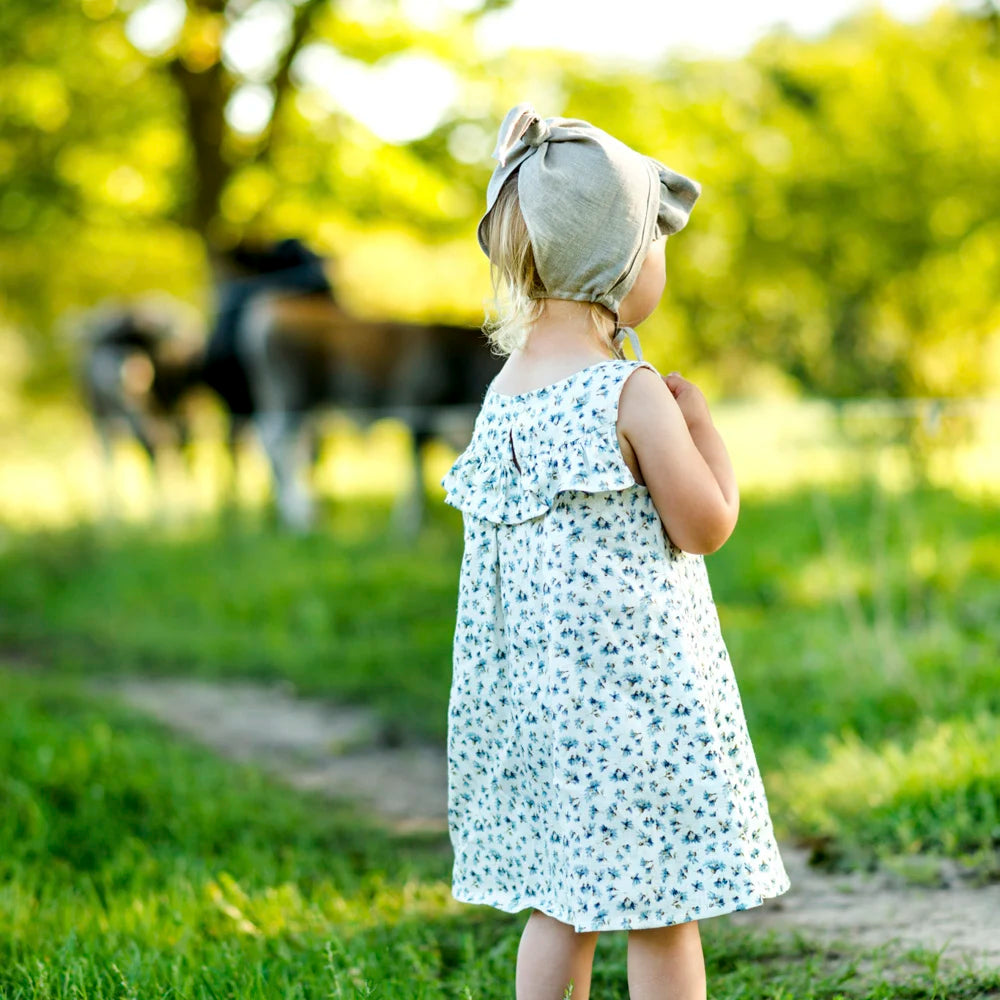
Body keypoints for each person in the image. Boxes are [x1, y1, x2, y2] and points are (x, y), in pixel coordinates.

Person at [440, 103, 791, 1000]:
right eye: (656, 245)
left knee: (559, 904)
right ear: (622, 263)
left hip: (538, 714)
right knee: (662, 912)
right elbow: (704, 524)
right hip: (636, 713)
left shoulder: (507, 394)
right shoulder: (630, 391)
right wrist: (702, 426)